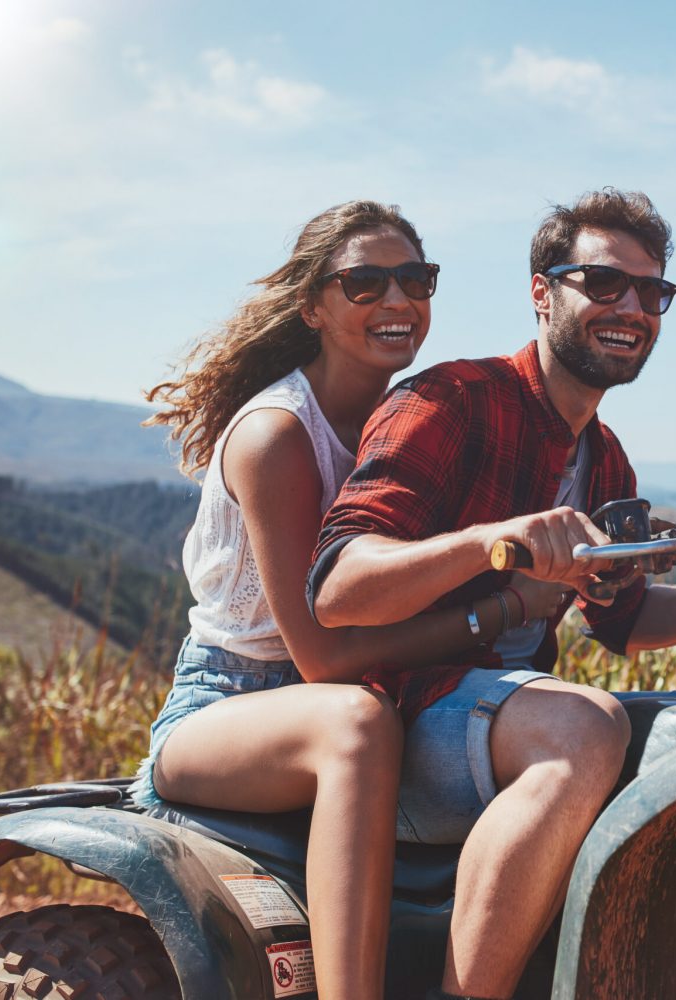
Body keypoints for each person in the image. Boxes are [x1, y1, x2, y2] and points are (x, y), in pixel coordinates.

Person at [309, 188, 676, 1000]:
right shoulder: (449, 402)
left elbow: (625, 621)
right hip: (411, 712)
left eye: (650, 293)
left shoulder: (605, 459)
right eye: (603, 284)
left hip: (501, 718)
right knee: (584, 725)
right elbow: (338, 585)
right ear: (542, 292)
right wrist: (494, 542)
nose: (630, 308)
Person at [132, 200, 563, 1000]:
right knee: (356, 725)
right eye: (365, 283)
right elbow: (320, 655)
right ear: (314, 308)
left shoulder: (408, 421)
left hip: (342, 694)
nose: (397, 301)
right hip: (230, 703)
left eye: (415, 279)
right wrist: (505, 609)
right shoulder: (278, 436)